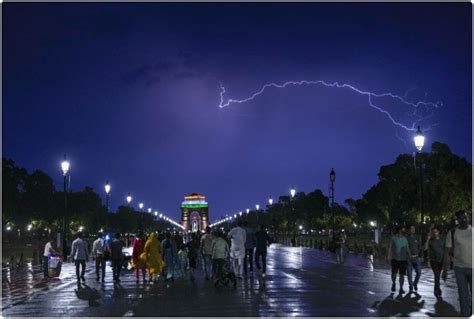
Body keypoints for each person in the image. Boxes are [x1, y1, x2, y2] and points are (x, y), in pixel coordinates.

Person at [444, 210, 472, 317]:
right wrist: (445, 270)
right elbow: (447, 252)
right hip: (460, 268)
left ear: (469, 217)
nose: (464, 219)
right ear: (457, 220)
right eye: (461, 218)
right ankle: (465, 314)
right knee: (463, 294)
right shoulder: (452, 233)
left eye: (465, 217)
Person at [387, 225, 411, 294]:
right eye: (403, 230)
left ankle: (401, 288)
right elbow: (390, 248)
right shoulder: (393, 238)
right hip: (395, 259)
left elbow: (407, 248)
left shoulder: (405, 239)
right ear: (399, 230)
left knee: (402, 275)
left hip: (403, 260)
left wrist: (410, 256)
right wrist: (388, 256)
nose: (404, 231)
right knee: (394, 274)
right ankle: (394, 283)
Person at [424, 226, 445, 297]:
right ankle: (437, 289)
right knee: (437, 275)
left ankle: (437, 289)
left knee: (438, 275)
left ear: (438, 232)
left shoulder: (442, 240)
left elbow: (445, 250)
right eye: (433, 232)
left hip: (441, 260)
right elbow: (425, 248)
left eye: (436, 232)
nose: (434, 233)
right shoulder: (431, 241)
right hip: (434, 261)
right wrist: (427, 239)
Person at [406, 225, 422, 292]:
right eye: (411, 229)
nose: (412, 230)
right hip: (408, 258)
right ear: (409, 230)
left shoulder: (417, 237)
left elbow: (420, 247)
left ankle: (415, 283)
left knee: (419, 272)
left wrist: (421, 256)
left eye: (413, 228)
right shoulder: (406, 238)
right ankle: (411, 286)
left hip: (416, 257)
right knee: (409, 273)